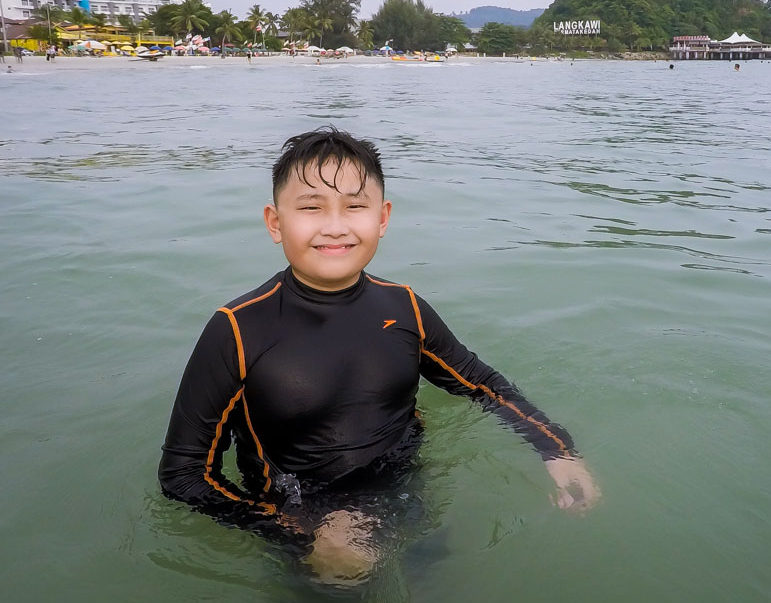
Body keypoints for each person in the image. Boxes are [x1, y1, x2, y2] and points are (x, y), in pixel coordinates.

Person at [158, 127, 600, 583]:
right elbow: (184, 475)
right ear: (275, 222)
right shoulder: (235, 330)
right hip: (301, 511)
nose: (335, 225)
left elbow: (484, 385)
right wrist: (298, 534)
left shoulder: (404, 307)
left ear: (382, 217)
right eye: (311, 208)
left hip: (408, 490)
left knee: (433, 584)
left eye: (355, 206)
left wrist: (557, 449)